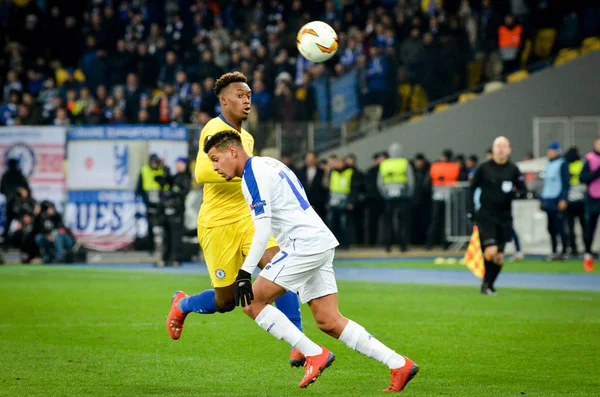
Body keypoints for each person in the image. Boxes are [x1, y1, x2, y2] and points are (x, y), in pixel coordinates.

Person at [203, 130, 419, 392]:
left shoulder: (252, 173)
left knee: (250, 301)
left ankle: (313, 353)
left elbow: (262, 229)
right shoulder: (272, 164)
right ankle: (398, 363)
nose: (214, 167)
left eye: (215, 159)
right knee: (328, 320)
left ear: (232, 152)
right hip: (319, 241)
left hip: (302, 245)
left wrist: (244, 273)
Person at [166, 72, 305, 367]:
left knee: (280, 264)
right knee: (225, 301)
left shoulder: (248, 137)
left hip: (247, 217)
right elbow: (201, 172)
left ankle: (298, 342)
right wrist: (239, 168)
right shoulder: (213, 129)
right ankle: (183, 303)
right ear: (223, 100)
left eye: (249, 96)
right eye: (240, 95)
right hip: (217, 223)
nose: (246, 101)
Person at [468, 137, 526, 296]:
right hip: (487, 215)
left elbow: (522, 189)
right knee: (490, 251)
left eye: (504, 146)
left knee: (499, 256)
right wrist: (471, 209)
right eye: (498, 146)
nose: (501, 149)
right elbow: (471, 188)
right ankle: (486, 283)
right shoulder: (484, 168)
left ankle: (489, 285)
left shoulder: (513, 169)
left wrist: (517, 192)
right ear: (493, 149)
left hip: (505, 216)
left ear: (509, 150)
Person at [378, 143, 414, 252]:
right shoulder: (405, 163)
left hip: (388, 196)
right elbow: (411, 181)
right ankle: (403, 245)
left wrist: (384, 193)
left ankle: (388, 246)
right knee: (403, 221)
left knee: (388, 222)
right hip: (403, 196)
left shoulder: (384, 164)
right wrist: (409, 194)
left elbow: (379, 182)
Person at [156, 157, 191, 267]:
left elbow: (182, 191)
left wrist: (173, 192)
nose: (178, 166)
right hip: (168, 210)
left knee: (176, 236)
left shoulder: (186, 177)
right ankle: (166, 258)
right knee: (167, 235)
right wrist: (165, 172)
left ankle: (175, 258)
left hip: (178, 211)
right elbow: (167, 182)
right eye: (177, 164)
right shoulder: (176, 176)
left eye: (180, 164)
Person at [540, 142, 569, 261]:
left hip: (557, 199)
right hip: (548, 199)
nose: (549, 153)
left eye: (551, 150)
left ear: (557, 151)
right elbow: (545, 184)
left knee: (560, 226)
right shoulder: (548, 165)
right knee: (550, 227)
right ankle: (554, 250)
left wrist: (563, 198)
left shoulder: (562, 164)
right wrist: (541, 199)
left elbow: (566, 183)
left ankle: (564, 251)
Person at [135, 154, 168, 254]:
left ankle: (163, 248)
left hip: (161, 203)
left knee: (163, 226)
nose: (154, 164)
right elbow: (139, 187)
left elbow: (167, 185)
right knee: (150, 226)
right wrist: (144, 199)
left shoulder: (161, 170)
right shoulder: (144, 170)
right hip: (149, 203)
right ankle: (151, 247)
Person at [578, 137, 600, 272]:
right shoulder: (590, 158)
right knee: (590, 229)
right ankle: (588, 256)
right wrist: (597, 172)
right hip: (593, 198)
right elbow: (583, 177)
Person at [1, 158, 30, 250]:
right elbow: (3, 189)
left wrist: (21, 193)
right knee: (8, 226)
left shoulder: (20, 176)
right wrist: (15, 192)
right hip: (10, 205)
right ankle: (6, 245)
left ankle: (23, 245)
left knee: (25, 225)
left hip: (21, 205)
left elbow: (27, 191)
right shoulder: (6, 176)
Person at [564, 147, 585, 256]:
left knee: (571, 226)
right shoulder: (581, 163)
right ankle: (585, 248)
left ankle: (574, 249)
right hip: (579, 200)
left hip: (573, 199)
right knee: (582, 226)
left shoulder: (567, 164)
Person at [297, 151, 327, 221]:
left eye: (311, 159)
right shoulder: (300, 171)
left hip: (318, 203)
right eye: (308, 159)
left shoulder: (322, 172)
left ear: (315, 159)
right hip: (305, 203)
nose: (309, 161)